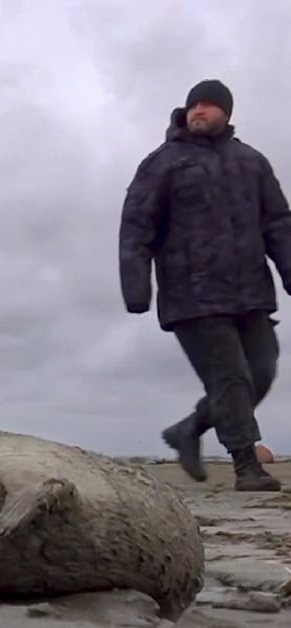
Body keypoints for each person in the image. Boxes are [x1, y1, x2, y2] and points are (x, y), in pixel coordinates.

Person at [120, 79, 291, 492]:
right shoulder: (163, 163)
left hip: (250, 291)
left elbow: (278, 223)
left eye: (209, 105)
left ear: (226, 114)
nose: (199, 111)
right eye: (194, 104)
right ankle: (247, 464)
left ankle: (189, 429)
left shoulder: (252, 161)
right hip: (191, 293)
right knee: (230, 377)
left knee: (262, 373)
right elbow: (137, 226)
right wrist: (137, 287)